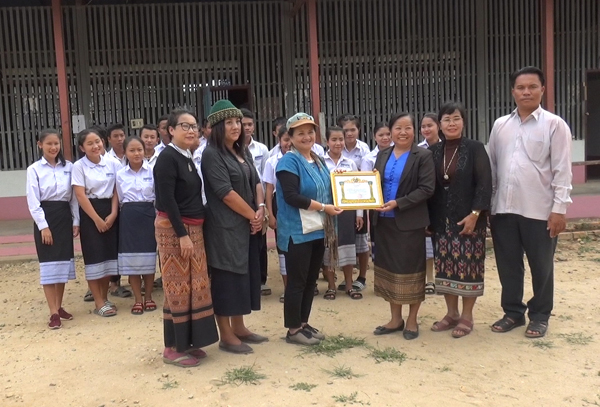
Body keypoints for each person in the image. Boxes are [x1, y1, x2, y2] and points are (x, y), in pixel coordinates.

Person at [489, 66, 573, 338]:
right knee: (509, 266)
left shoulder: (554, 125)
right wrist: (489, 206)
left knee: (541, 266)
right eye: (521, 87)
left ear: (542, 90)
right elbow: (492, 167)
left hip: (540, 211)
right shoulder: (500, 125)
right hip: (503, 209)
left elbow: (562, 170)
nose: (526, 92)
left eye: (532, 87)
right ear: (512, 91)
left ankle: (539, 315)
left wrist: (559, 209)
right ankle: (513, 312)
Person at [153, 108, 219, 367]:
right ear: (171, 130)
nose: (191, 130)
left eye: (194, 126)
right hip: (175, 230)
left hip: (194, 229)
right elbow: (167, 199)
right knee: (177, 287)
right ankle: (171, 347)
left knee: (194, 286)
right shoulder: (167, 158)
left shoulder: (188, 157)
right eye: (185, 126)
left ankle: (188, 342)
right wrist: (182, 235)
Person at [202, 100, 268, 355]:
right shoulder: (212, 154)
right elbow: (225, 193)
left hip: (247, 225)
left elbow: (257, 182)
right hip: (225, 229)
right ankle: (226, 335)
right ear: (217, 127)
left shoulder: (243, 151)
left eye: (238, 121)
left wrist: (260, 208)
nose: (236, 127)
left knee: (244, 275)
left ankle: (239, 327)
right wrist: (253, 216)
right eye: (228, 122)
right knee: (227, 279)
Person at [276, 112, 343, 345]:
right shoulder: (288, 161)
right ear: (290, 137)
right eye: (300, 133)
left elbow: (325, 188)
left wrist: (340, 182)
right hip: (297, 231)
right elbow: (292, 196)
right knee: (297, 281)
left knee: (310, 280)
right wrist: (324, 207)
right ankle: (293, 329)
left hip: (318, 229)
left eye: (310, 132)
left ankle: (303, 323)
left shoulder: (317, 159)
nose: (307, 137)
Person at [428, 102, 492, 338]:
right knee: (445, 268)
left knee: (468, 268)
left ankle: (467, 316)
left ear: (463, 122)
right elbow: (429, 187)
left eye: (456, 118)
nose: (451, 123)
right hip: (441, 221)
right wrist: (428, 219)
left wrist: (475, 214)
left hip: (469, 220)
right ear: (440, 124)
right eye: (446, 119)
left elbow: (485, 184)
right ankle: (451, 313)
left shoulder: (475, 148)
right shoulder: (434, 151)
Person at [372, 112, 435, 340]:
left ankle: (412, 320)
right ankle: (395, 318)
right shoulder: (383, 154)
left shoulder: (423, 156)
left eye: (408, 127)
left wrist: (399, 203)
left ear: (414, 131)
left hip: (409, 224)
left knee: (411, 272)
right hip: (383, 223)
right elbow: (373, 183)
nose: (403, 132)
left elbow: (427, 189)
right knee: (390, 271)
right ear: (390, 131)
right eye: (398, 128)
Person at [26, 129, 79, 329]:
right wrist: (43, 226)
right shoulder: (34, 169)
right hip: (46, 217)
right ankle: (53, 313)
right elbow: (33, 201)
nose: (53, 147)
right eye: (49, 143)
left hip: (64, 217)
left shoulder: (69, 167)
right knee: (49, 264)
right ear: (40, 144)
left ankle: (59, 305)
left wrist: (76, 221)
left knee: (62, 264)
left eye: (56, 143)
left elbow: (74, 198)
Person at [72, 128, 121, 317]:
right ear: (82, 148)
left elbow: (117, 189)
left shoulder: (112, 163)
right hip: (90, 213)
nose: (95, 146)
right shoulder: (79, 166)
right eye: (90, 143)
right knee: (94, 257)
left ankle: (104, 297)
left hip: (110, 211)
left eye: (98, 141)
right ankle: (98, 301)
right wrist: (97, 219)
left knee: (108, 256)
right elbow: (80, 195)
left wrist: (114, 213)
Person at [116, 136, 157, 315]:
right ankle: (138, 299)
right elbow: (119, 198)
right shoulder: (120, 174)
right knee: (132, 261)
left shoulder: (153, 171)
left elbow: (157, 195)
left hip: (149, 216)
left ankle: (148, 297)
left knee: (148, 259)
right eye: (132, 150)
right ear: (125, 153)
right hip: (129, 218)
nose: (136, 153)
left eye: (139, 149)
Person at [322, 126, 363, 300]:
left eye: (341, 139)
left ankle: (349, 285)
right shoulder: (320, 163)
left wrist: (359, 213)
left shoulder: (350, 163)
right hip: (327, 211)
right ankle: (331, 286)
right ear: (327, 141)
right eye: (334, 139)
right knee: (329, 247)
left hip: (347, 212)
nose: (338, 143)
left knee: (348, 247)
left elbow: (358, 188)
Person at [240, 108, 272, 296]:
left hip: (259, 198)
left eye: (249, 124)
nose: (246, 128)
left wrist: (264, 204)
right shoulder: (230, 149)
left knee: (260, 240)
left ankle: (261, 279)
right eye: (243, 124)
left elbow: (265, 178)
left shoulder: (261, 149)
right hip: (241, 199)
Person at [338, 114, 371, 291]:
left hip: (358, 198)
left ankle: (362, 276)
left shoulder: (364, 149)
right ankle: (347, 278)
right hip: (340, 203)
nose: (349, 133)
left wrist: (360, 211)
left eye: (353, 129)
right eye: (345, 130)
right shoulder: (336, 146)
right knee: (344, 241)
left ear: (358, 130)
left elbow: (365, 177)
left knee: (361, 240)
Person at [263, 125, 292, 303]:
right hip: (279, 206)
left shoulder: (305, 159)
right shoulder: (272, 162)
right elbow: (268, 190)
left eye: (291, 139)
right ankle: (287, 288)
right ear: (279, 141)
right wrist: (271, 214)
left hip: (299, 208)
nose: (288, 143)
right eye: (285, 140)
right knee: (283, 247)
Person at [418, 113, 441, 294]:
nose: (426, 129)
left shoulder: (447, 146)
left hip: (443, 199)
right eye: (423, 126)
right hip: (424, 201)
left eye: (430, 125)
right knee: (426, 243)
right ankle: (429, 280)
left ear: (438, 126)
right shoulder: (418, 150)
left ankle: (443, 278)